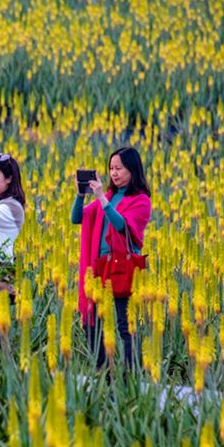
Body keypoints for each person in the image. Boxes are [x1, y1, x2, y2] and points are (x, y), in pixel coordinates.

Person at [71, 146, 151, 377]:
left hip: (122, 268)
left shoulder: (141, 200)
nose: (114, 173)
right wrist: (81, 195)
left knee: (125, 325)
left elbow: (122, 225)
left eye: (119, 168)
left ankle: (129, 376)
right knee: (92, 322)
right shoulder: (109, 196)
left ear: (132, 170)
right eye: (111, 168)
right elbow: (77, 218)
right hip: (99, 267)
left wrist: (101, 198)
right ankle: (103, 372)